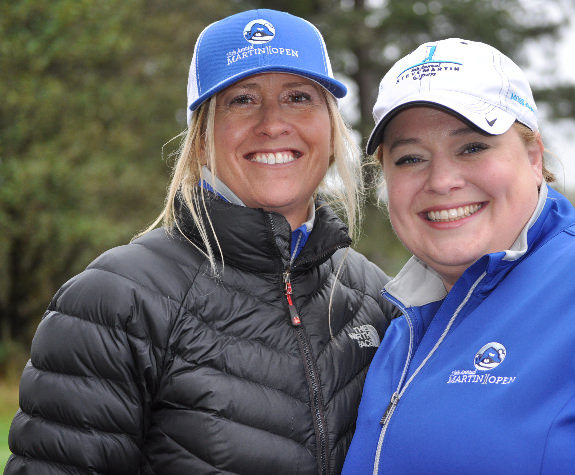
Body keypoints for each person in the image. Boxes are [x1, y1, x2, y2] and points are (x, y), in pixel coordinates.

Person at [6, 9, 395, 474]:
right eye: (242, 100)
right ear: (202, 141)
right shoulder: (113, 301)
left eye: (297, 97)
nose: (273, 123)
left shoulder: (376, 299)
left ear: (331, 132)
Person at [342, 38, 575, 474]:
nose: (441, 180)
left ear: (534, 156)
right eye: (410, 158)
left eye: (472, 147)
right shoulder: (399, 329)